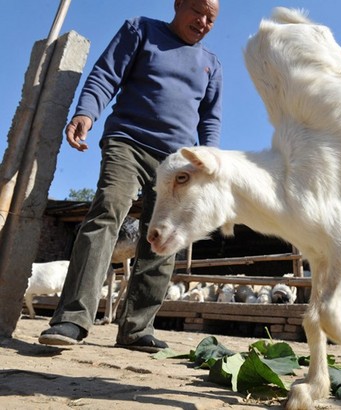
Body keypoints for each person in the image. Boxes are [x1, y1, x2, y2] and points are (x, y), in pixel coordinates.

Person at [39, 0, 222, 353]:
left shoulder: (211, 64)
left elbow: (210, 118)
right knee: (108, 209)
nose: (202, 21)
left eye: (211, 18)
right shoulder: (142, 29)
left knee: (164, 236)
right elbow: (106, 74)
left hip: (176, 161)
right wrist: (86, 113)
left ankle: (137, 328)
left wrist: (209, 157)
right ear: (178, 4)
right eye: (197, 11)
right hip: (128, 140)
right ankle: (72, 318)